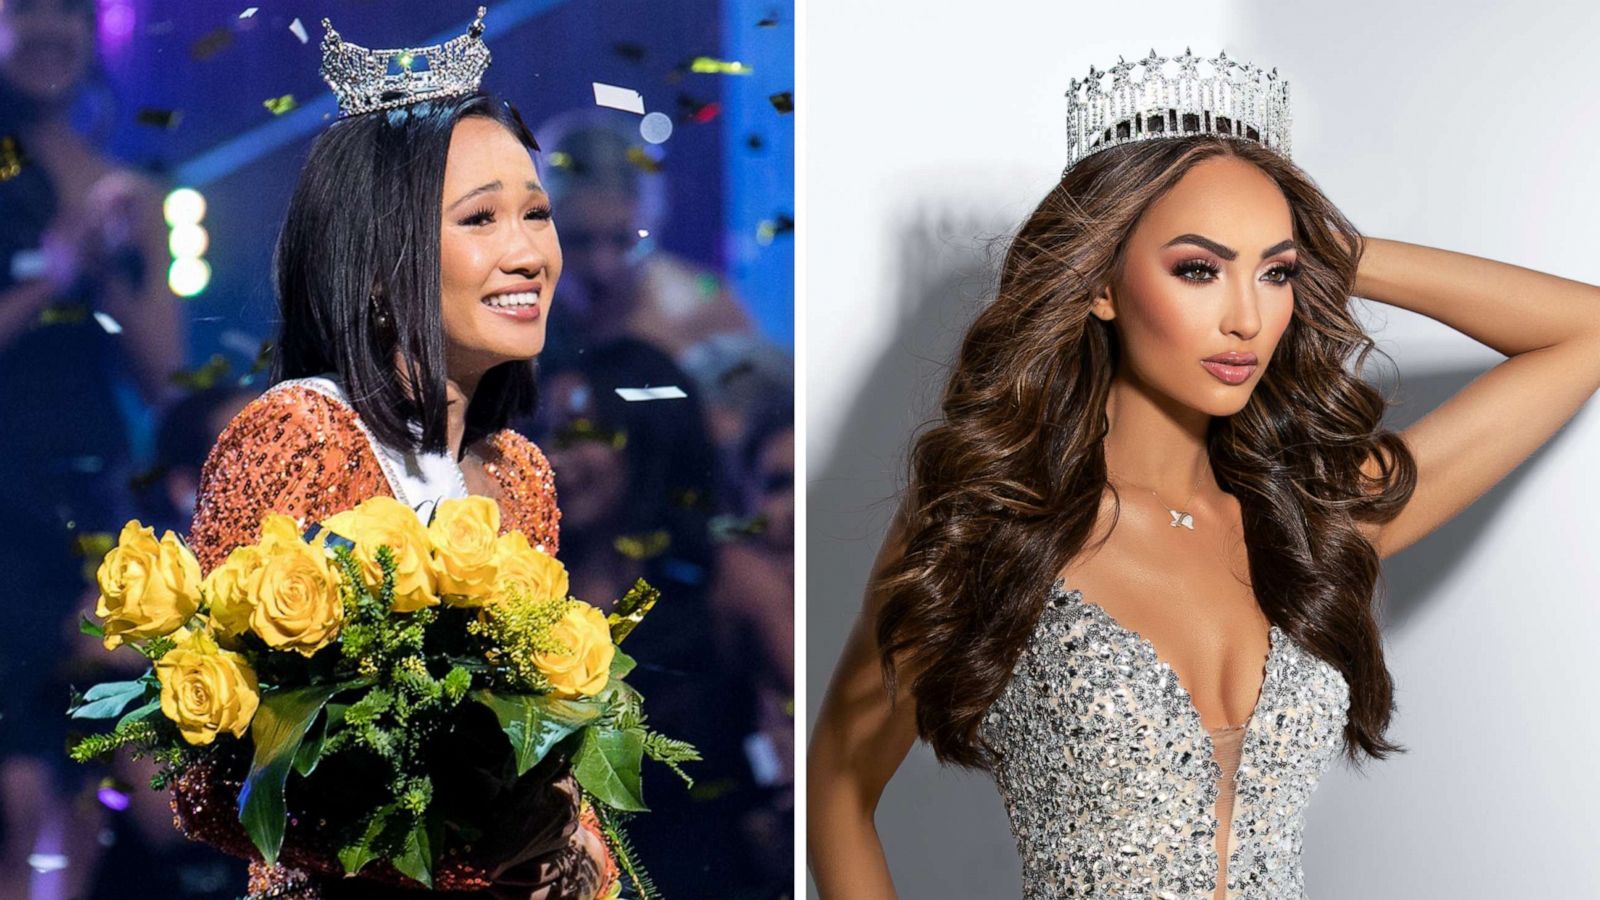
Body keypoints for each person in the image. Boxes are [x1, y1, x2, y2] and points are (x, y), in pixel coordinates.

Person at [806, 48, 1600, 898]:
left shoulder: (1314, 515)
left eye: (1276, 273)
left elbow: (1582, 333)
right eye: (1198, 269)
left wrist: (1329, 246)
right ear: (1102, 284)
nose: (1247, 318)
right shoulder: (996, 520)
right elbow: (837, 788)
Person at [174, 11, 615, 899]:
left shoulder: (519, 473)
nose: (529, 252)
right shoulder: (300, 436)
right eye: (482, 219)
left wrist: (578, 847)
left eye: (537, 213)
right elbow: (213, 786)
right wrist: (465, 856)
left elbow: (545, 754)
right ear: (379, 260)